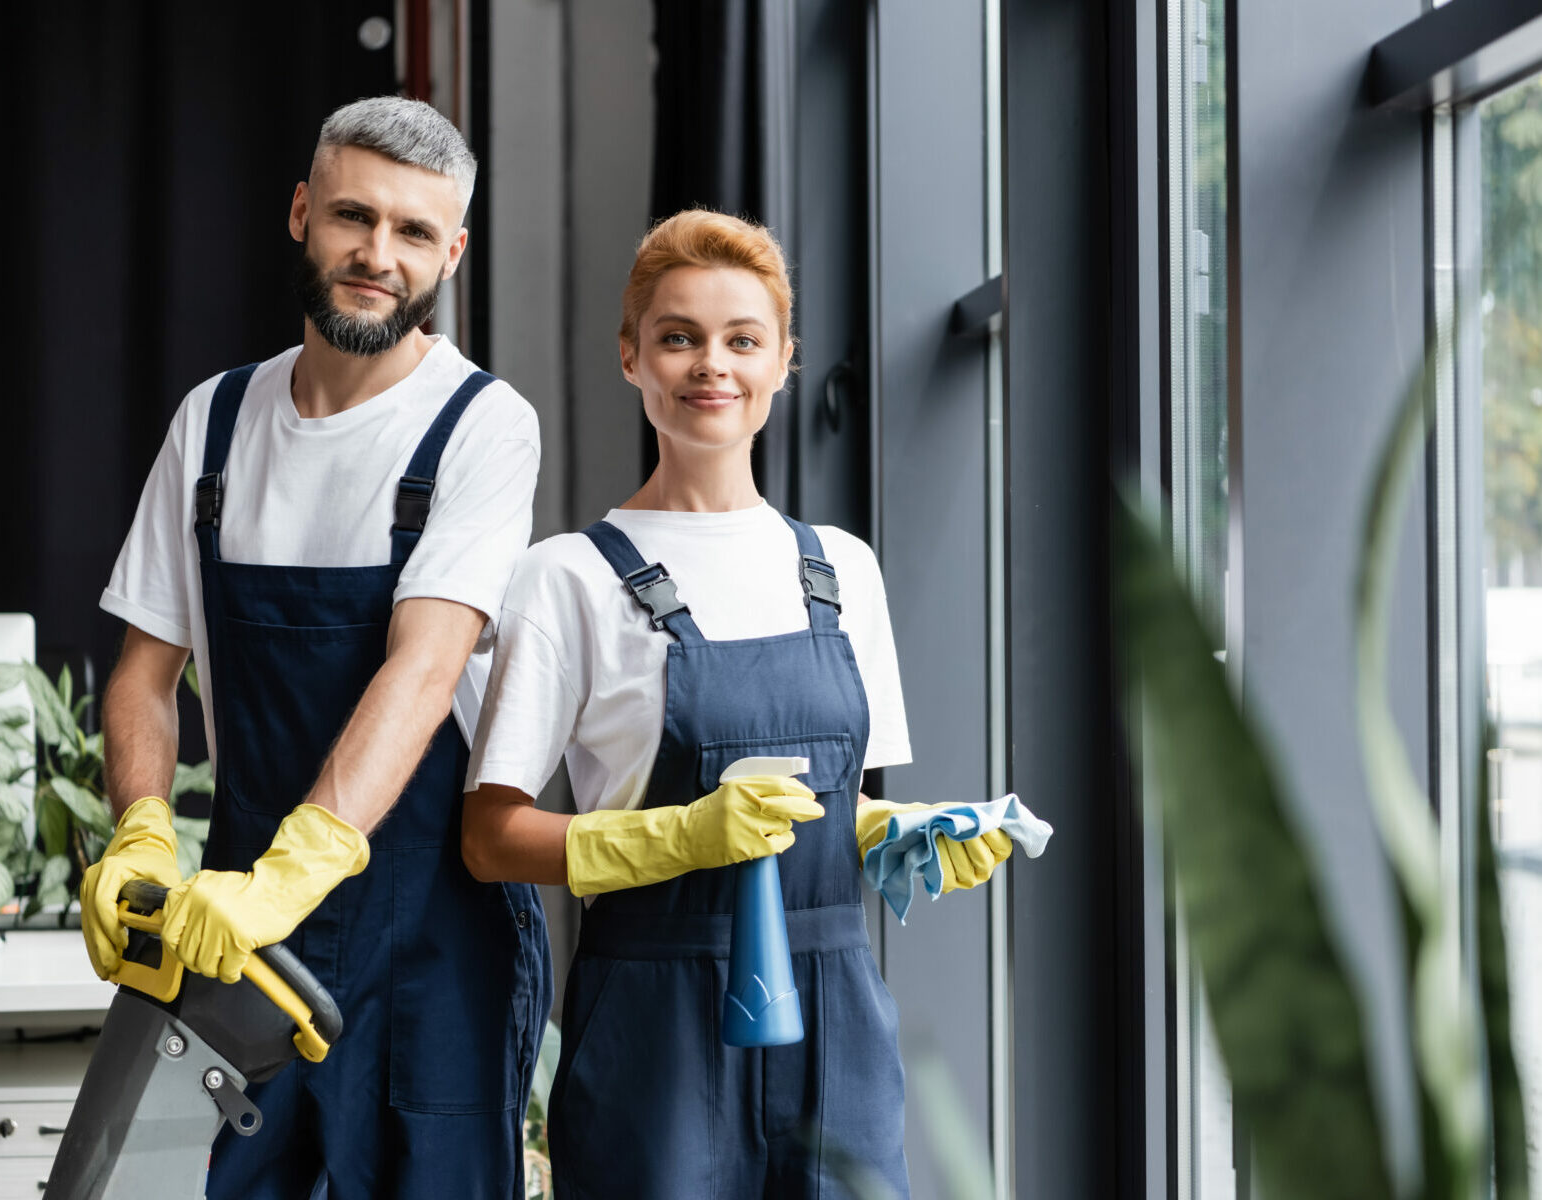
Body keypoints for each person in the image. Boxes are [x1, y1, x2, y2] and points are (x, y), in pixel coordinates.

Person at [460, 208, 1012, 1199]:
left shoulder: (840, 570)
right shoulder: (570, 578)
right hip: (653, 1026)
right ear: (631, 358)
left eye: (741, 340)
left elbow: (831, 816)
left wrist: (909, 833)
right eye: (678, 337)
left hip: (836, 1018)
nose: (710, 364)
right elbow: (491, 837)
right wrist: (675, 839)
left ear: (783, 361)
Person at [87, 95, 550, 1198]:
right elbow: (145, 674)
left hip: (432, 938)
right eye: (353, 217)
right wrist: (146, 834)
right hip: (234, 936)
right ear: (302, 211)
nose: (377, 255)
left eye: (414, 234)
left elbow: (424, 667)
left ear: (453, 254)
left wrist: (301, 869)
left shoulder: (484, 425)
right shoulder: (214, 421)